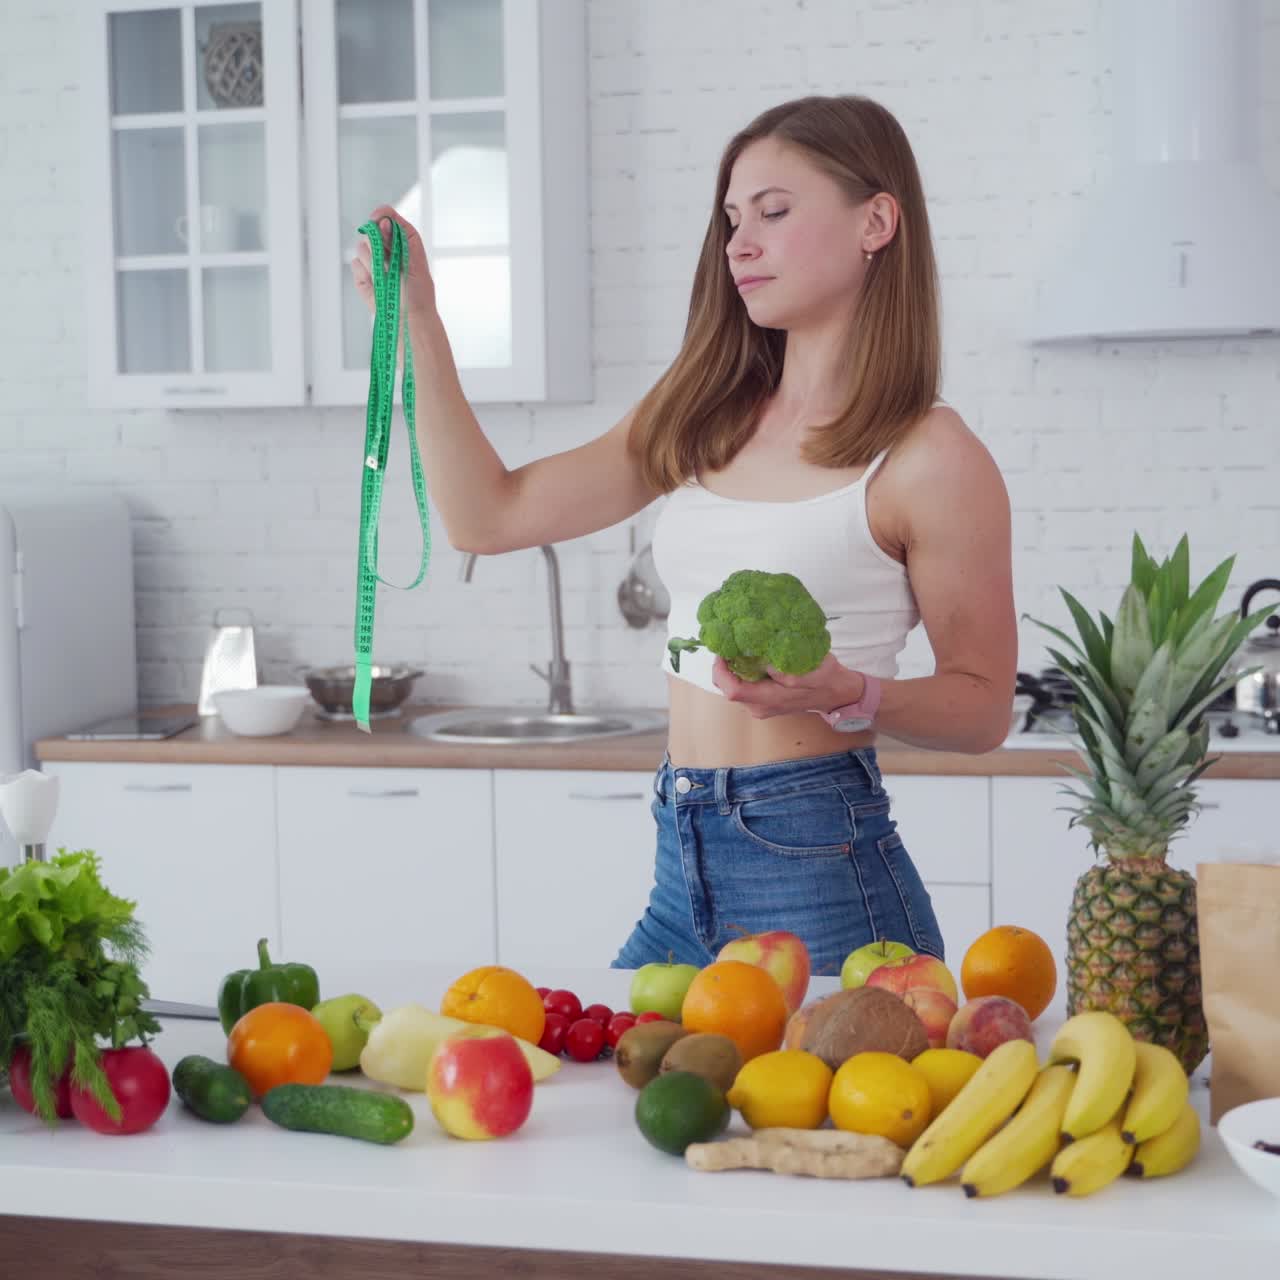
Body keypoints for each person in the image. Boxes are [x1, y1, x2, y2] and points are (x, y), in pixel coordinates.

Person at [354, 94, 1016, 978]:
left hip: (818, 866)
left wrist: (849, 692)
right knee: (609, 1071)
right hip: (680, 851)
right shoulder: (706, 411)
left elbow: (983, 709)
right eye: (732, 219)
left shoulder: (930, 456)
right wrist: (419, 320)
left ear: (876, 222)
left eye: (773, 212)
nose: (740, 243)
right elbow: (490, 516)